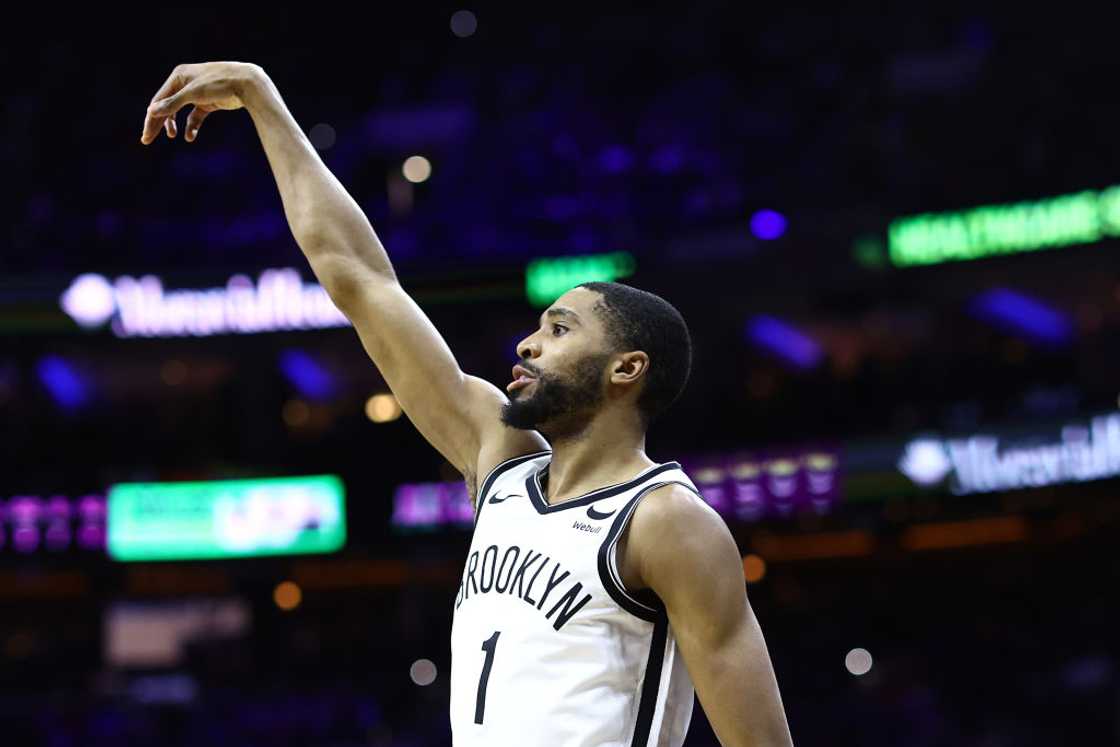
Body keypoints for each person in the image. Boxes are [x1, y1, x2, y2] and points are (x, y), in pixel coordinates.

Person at [141, 61, 795, 747]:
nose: (528, 344)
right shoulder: (501, 463)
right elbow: (360, 279)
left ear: (626, 368)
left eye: (559, 330)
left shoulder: (667, 522)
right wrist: (261, 97)